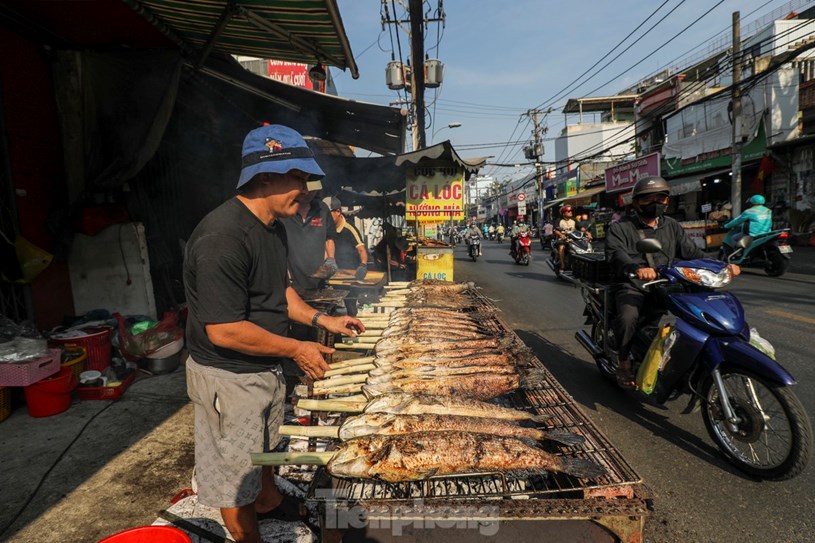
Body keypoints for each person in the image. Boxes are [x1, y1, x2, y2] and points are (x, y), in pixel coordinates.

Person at [183, 124, 365, 543]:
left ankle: (267, 502)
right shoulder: (222, 237)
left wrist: (321, 322)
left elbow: (278, 291)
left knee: (265, 448)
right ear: (264, 177)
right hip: (229, 376)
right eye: (297, 178)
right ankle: (248, 534)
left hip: (265, 367)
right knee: (235, 472)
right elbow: (225, 330)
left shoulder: (272, 227)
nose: (306, 187)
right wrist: (298, 347)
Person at [605, 176, 740, 389]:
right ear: (637, 202)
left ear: (667, 201)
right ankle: (623, 363)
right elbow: (616, 254)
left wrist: (721, 265)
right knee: (628, 316)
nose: (655, 203)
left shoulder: (672, 226)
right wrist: (637, 268)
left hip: (667, 282)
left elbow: (692, 252)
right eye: (648, 199)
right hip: (633, 283)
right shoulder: (620, 227)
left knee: (698, 310)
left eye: (660, 198)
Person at [281, 186, 337, 292]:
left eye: (312, 190)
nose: (308, 193)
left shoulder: (322, 209)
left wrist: (331, 259)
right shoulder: (284, 210)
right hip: (290, 281)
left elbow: (329, 238)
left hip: (318, 282)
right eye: (305, 189)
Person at [323, 196, 368, 280]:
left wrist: (363, 265)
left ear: (338, 212)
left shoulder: (350, 228)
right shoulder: (324, 229)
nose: (325, 217)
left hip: (352, 272)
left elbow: (361, 249)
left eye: (328, 214)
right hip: (333, 273)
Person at [553, 205, 578, 272]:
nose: (571, 212)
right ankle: (562, 265)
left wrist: (588, 233)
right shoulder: (559, 220)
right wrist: (561, 234)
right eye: (569, 211)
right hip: (563, 239)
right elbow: (555, 230)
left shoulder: (574, 220)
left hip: (573, 239)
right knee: (561, 248)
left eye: (571, 211)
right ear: (564, 213)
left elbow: (581, 228)